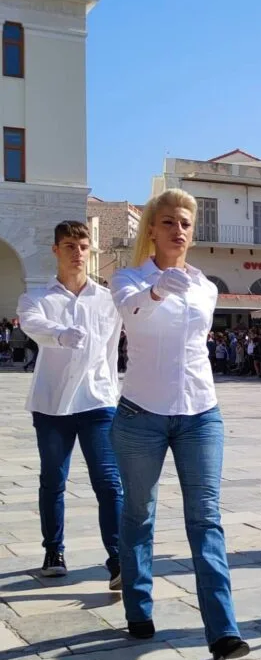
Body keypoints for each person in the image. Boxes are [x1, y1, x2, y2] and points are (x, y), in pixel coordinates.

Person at [110, 189, 248, 660]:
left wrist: (174, 284)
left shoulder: (206, 286)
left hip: (201, 414)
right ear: (152, 228)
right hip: (140, 415)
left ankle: (222, 629)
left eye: (185, 222)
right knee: (139, 514)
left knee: (205, 518)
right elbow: (131, 314)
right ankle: (138, 606)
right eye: (168, 222)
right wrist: (155, 290)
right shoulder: (128, 279)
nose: (178, 230)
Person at [16, 220, 124, 586]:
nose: (76, 253)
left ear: (90, 249)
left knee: (109, 482)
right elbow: (32, 325)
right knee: (53, 479)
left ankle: (118, 559)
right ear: (56, 250)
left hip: (97, 401)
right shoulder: (36, 299)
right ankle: (54, 549)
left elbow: (111, 353)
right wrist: (60, 334)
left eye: (82, 246)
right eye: (68, 246)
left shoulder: (108, 301)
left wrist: (111, 391)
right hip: (53, 405)